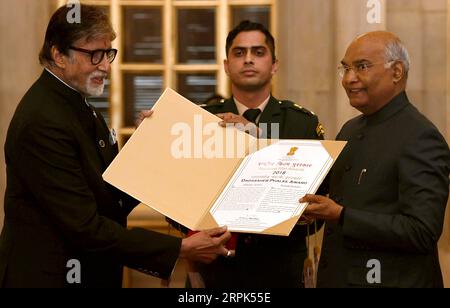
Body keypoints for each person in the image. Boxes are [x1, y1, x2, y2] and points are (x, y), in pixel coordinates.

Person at [0, 4, 232, 288]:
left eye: (108, 53)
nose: (106, 66)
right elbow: (85, 227)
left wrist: (154, 143)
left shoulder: (80, 106)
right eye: (94, 55)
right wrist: (179, 249)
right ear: (59, 55)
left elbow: (112, 195)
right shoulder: (43, 120)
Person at [301, 31, 450, 288]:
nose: (349, 79)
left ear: (396, 72)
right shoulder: (349, 130)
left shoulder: (421, 136)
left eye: (362, 67)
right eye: (345, 68)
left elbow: (422, 231)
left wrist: (342, 215)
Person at [189, 20, 325, 288]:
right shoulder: (200, 119)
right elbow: (174, 193)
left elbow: (319, 198)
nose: (248, 59)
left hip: (279, 270)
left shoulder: (301, 123)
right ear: (226, 65)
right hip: (213, 270)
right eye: (239, 53)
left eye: (258, 52)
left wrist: (259, 143)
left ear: (274, 64)